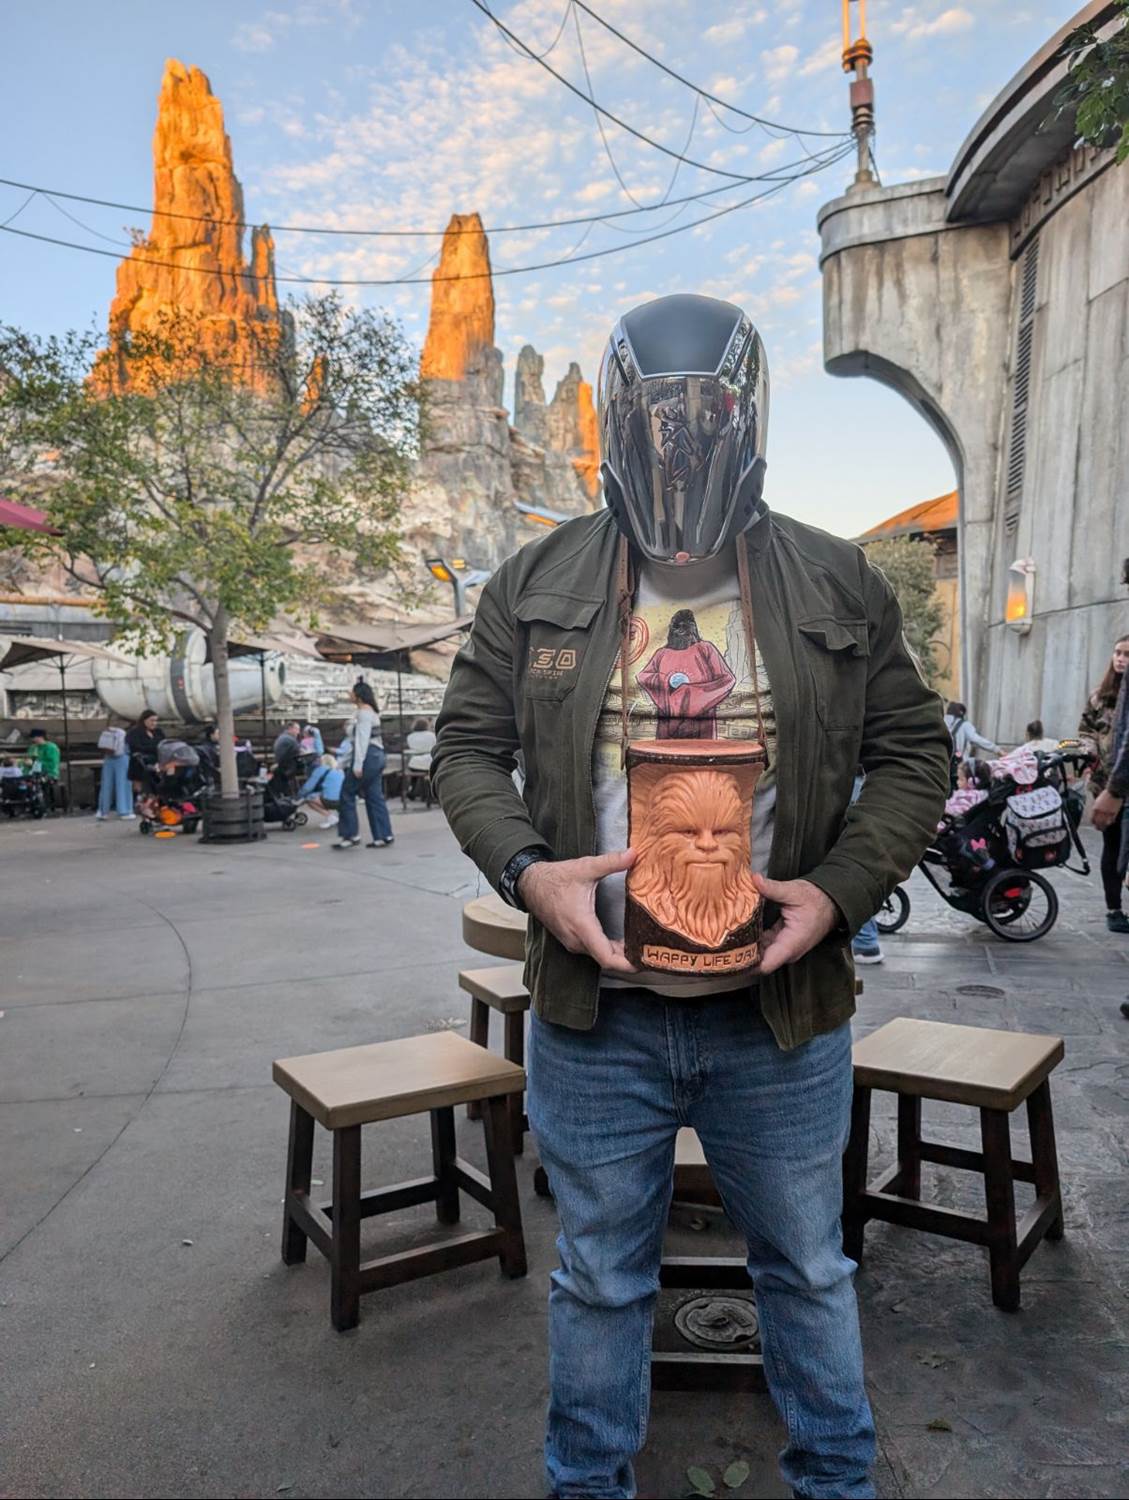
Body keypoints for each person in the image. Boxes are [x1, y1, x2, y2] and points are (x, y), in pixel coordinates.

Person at [433, 292, 950, 1500]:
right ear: (617, 429)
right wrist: (528, 873)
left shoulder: (838, 582)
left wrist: (837, 892)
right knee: (599, 1277)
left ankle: (836, 1482)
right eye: (655, 428)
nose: (679, 454)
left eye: (702, 424)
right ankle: (586, 1485)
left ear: (745, 423)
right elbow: (464, 748)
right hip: (596, 1014)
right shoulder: (533, 580)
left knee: (805, 1269)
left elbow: (914, 753)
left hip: (777, 1015)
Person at [1078, 635, 1129, 933]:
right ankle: (1114, 909)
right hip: (1105, 783)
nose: (1121, 659)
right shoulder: (1100, 696)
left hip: (1124, 781)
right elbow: (1085, 730)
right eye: (1118, 653)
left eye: (1127, 654)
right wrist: (1089, 755)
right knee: (1112, 846)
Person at [333, 681, 394, 850]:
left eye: (352, 692)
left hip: (367, 757)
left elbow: (361, 740)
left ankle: (350, 835)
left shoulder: (363, 713)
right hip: (377, 755)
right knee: (374, 796)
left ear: (358, 696)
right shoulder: (372, 712)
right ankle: (383, 835)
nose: (350, 694)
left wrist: (357, 765)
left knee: (346, 793)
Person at [95, 721, 133, 820]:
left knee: (106, 785)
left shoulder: (107, 731)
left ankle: (103, 811)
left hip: (108, 758)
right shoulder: (123, 733)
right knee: (123, 784)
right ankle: (124, 810)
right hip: (122, 758)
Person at [944, 700, 999, 766]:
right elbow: (977, 740)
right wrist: (997, 749)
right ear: (961, 713)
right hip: (956, 764)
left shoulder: (939, 722)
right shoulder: (964, 724)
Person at [298, 752, 345, 828]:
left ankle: (331, 817)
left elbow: (308, 787)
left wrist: (298, 796)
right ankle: (343, 818)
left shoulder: (320, 769)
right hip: (344, 799)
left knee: (308, 799)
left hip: (330, 801)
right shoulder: (340, 770)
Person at [125, 711, 164, 792]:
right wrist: (154, 748)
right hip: (139, 763)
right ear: (144, 720)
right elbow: (135, 747)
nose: (154, 723)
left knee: (156, 787)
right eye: (152, 720)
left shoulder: (158, 732)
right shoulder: (134, 732)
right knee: (139, 789)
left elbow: (163, 743)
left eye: (156, 720)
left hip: (156, 763)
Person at [405, 716, 437, 800]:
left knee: (414, 776)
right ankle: (431, 793)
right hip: (429, 762)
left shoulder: (410, 736)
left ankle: (412, 790)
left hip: (414, 763)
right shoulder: (432, 736)